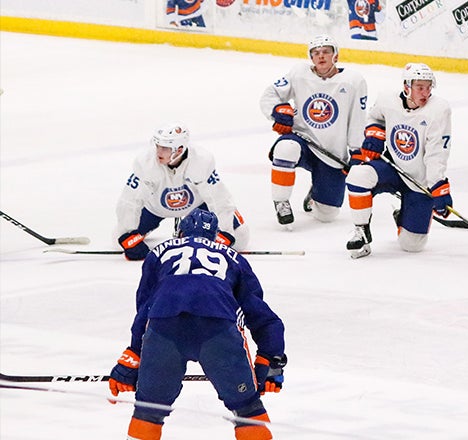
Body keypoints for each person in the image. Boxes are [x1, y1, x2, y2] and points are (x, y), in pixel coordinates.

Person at [108, 209, 286, 440]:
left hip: (165, 328)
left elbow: (146, 309)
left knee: (148, 411)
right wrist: (271, 360)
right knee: (248, 409)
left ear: (180, 233)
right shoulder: (234, 258)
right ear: (214, 236)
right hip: (217, 329)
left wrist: (134, 355)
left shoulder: (158, 254)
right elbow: (263, 317)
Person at [343, 63, 453, 258]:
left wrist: (437, 186)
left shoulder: (438, 110)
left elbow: (436, 153)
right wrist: (375, 135)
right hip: (391, 169)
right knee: (358, 175)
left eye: (428, 87)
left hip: (418, 181)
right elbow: (375, 118)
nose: (425, 92)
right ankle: (361, 230)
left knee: (412, 246)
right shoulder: (387, 100)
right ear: (406, 87)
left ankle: (402, 215)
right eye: (420, 87)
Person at [261, 34, 368, 229]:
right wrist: (277, 112)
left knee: (326, 215)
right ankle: (281, 202)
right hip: (302, 140)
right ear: (311, 57)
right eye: (316, 53)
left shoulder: (353, 81)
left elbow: (358, 119)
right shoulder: (299, 73)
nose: (321, 56)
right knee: (286, 148)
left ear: (335, 55)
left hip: (332, 153)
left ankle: (315, 193)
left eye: (326, 52)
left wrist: (357, 150)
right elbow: (270, 94)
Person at [115, 122, 248, 261]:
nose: (158, 152)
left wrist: (225, 232)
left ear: (179, 149)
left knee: (241, 238)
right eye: (158, 146)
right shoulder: (145, 162)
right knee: (117, 241)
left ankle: (188, 227)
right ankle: (186, 231)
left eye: (165, 148)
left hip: (197, 208)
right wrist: (128, 235)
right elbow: (129, 200)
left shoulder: (201, 160)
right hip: (155, 208)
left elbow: (219, 198)